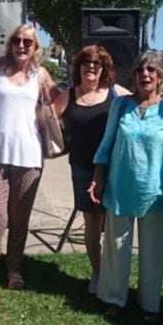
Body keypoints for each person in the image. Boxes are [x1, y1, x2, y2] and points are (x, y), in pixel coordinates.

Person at [88, 52, 163, 320]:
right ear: (133, 76)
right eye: (140, 70)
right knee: (116, 247)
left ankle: (149, 305)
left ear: (161, 76)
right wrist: (98, 177)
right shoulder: (120, 106)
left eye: (152, 70)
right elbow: (106, 143)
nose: (146, 75)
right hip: (120, 185)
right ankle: (114, 299)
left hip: (154, 188)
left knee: (153, 250)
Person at [0, 24, 59, 290]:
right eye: (17, 41)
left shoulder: (41, 74)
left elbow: (59, 104)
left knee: (20, 218)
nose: (22, 45)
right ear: (10, 44)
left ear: (36, 48)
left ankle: (14, 270)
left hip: (30, 155)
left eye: (28, 42)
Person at [54, 45, 129, 294]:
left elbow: (143, 102)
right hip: (81, 167)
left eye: (97, 64)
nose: (91, 67)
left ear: (104, 69)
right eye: (86, 63)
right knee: (91, 222)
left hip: (112, 167)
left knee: (114, 222)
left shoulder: (116, 93)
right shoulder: (70, 94)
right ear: (79, 68)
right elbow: (46, 119)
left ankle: (114, 274)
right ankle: (97, 273)